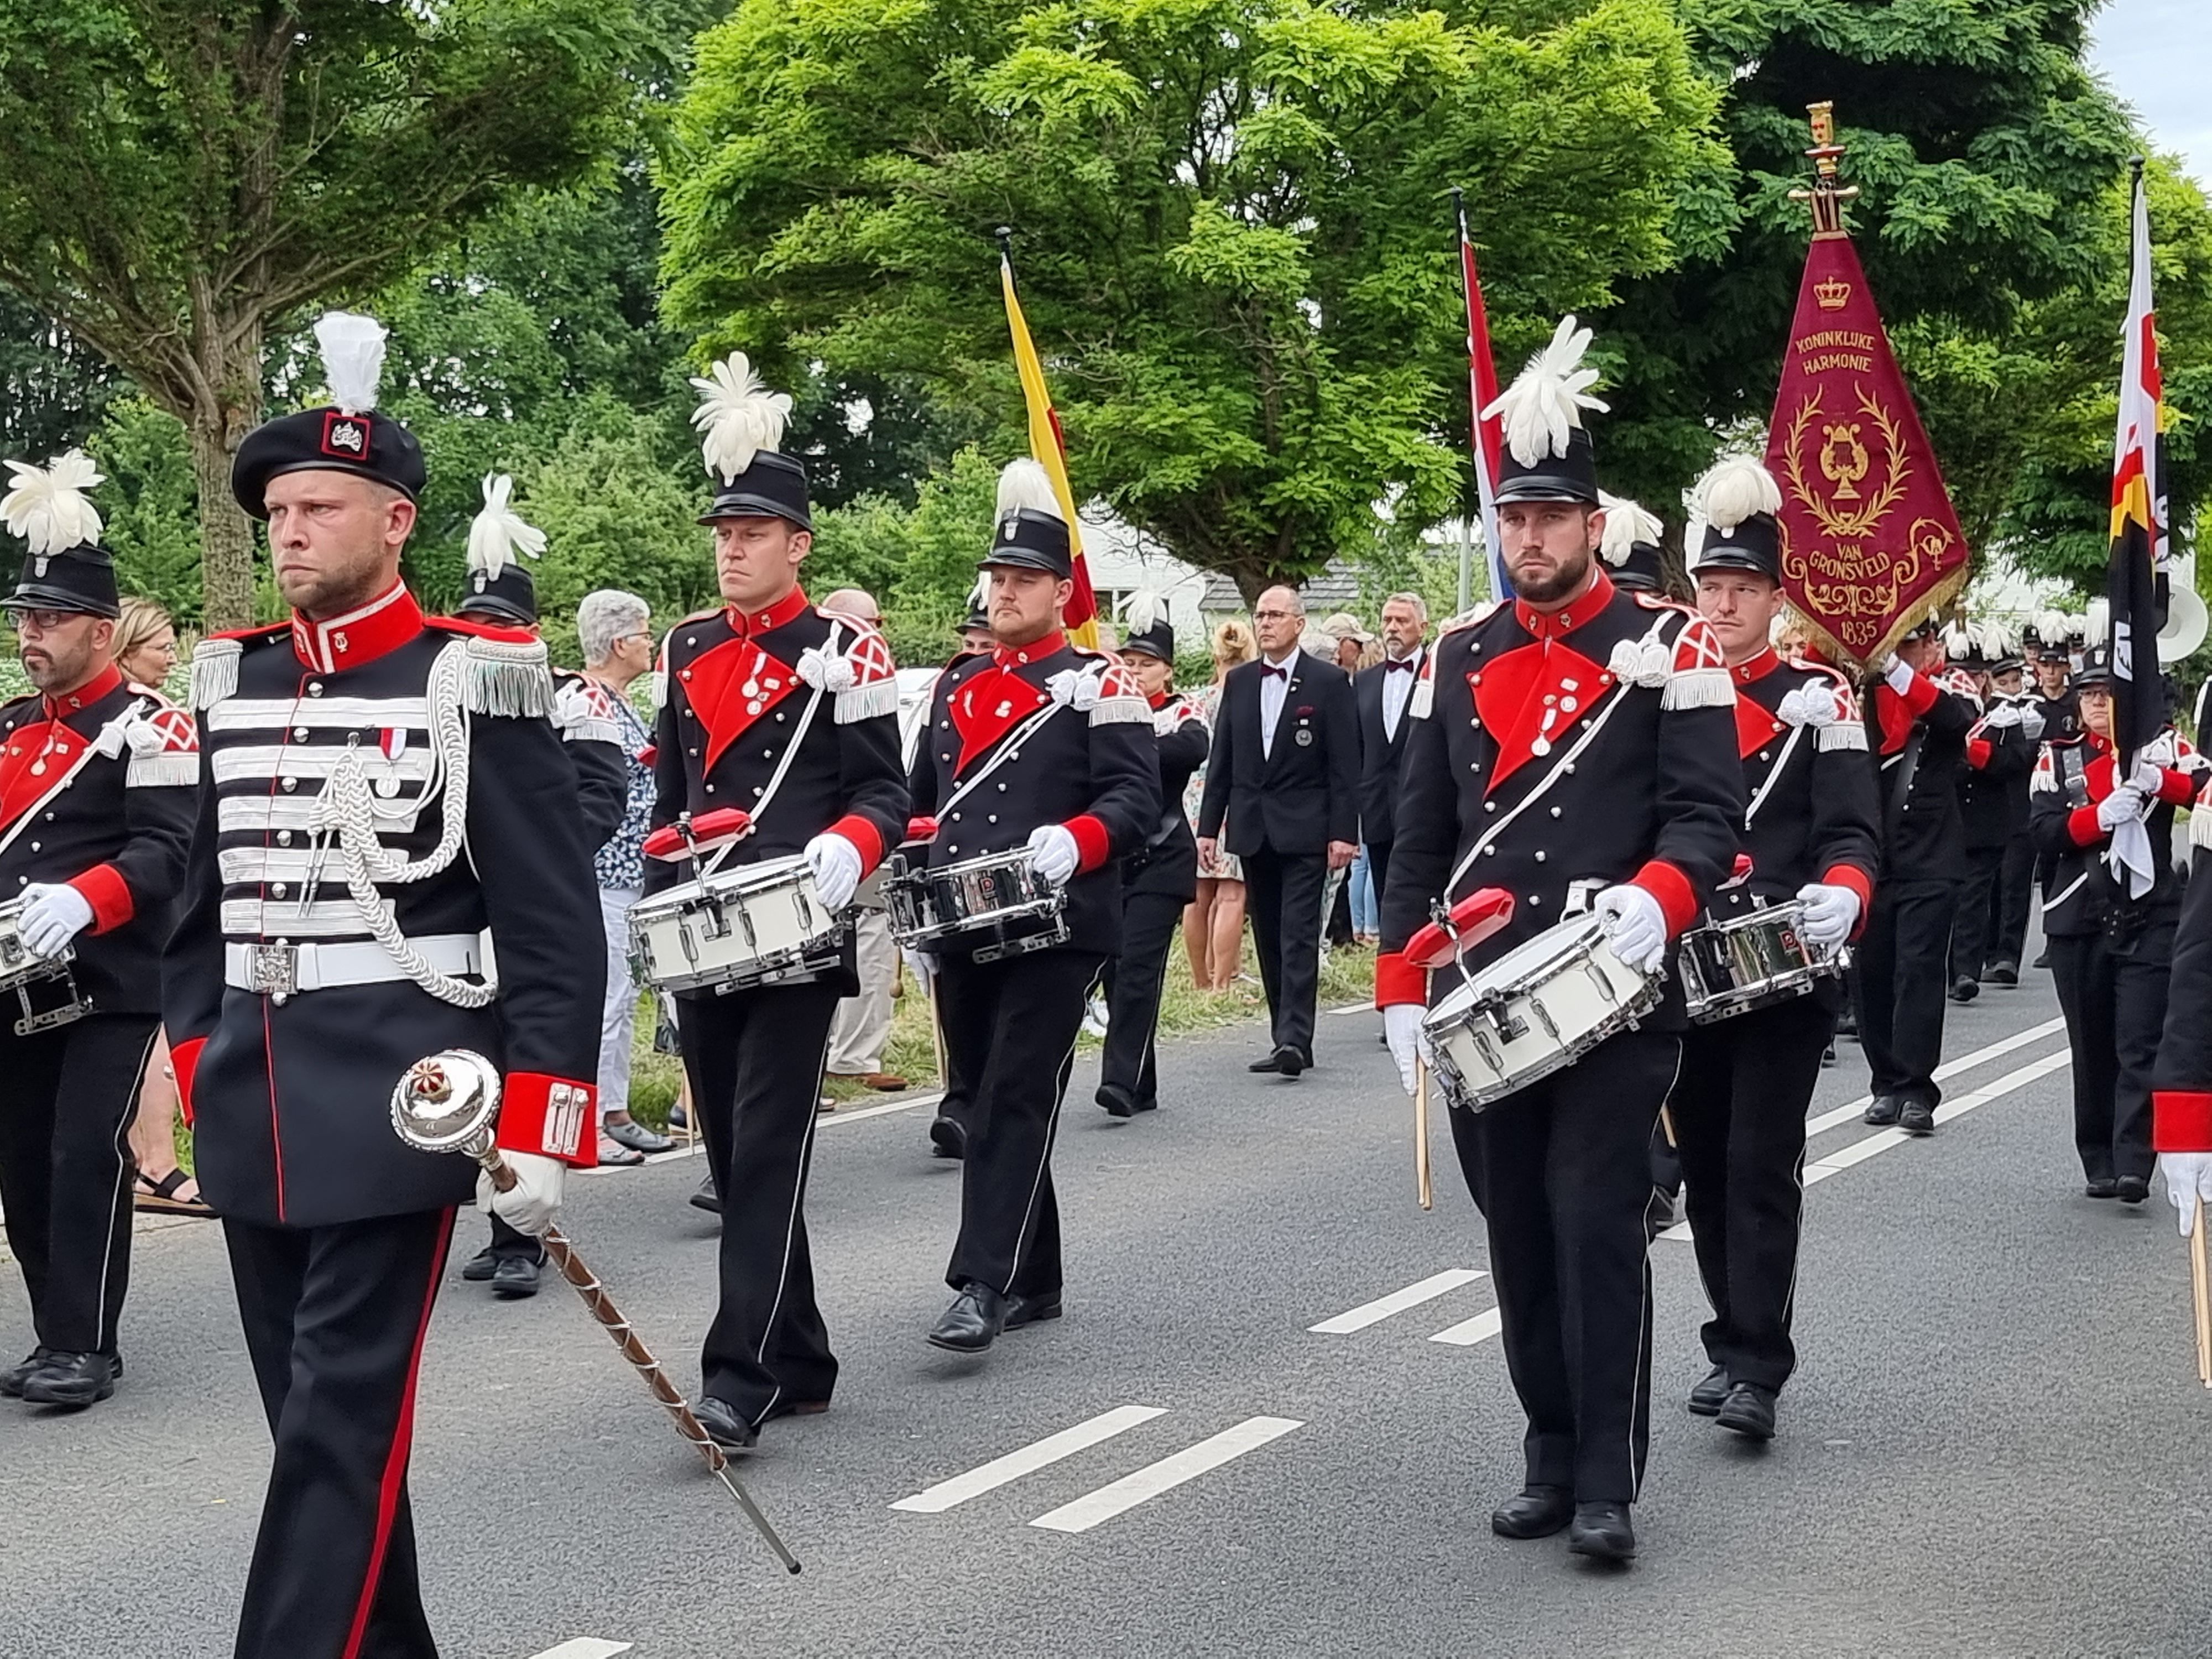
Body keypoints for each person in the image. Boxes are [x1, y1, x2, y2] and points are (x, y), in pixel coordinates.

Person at [163, 311, 604, 1658]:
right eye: (277, 510)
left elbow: (552, 923)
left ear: (395, 519)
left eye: (317, 507)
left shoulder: (475, 680)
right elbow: (197, 912)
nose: (287, 530)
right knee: (325, 1436)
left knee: (338, 1423)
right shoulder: (228, 677)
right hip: (254, 1106)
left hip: (409, 1105)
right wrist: (199, 1062)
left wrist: (541, 1122)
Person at [1379, 317, 1741, 1564]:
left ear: (1593, 524)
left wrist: (1658, 894)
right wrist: (1392, 982)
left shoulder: (1667, 642)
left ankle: (1605, 1479)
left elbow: (1708, 813)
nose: (1528, 539)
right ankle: (1545, 1445)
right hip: (1482, 991)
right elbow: (1415, 831)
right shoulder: (1456, 651)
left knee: (1593, 1222)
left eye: (1551, 518)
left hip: (1615, 993)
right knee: (1516, 1234)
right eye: (1512, 520)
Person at [646, 356, 908, 1447]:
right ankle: (799, 1353)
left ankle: (736, 1373)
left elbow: (886, 791)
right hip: (706, 929)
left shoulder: (848, 652)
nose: (731, 547)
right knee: (727, 1155)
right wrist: (664, 875)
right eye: (722, 530)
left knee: (763, 1150)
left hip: (798, 934)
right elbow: (671, 794)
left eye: (752, 532)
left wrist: (852, 848)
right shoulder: (685, 645)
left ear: (797, 542)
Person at [904, 458, 1156, 1353]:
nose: (1003, 593)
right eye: (997, 578)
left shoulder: (1101, 684)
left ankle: (981, 1281)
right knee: (984, 1091)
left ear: (1061, 592)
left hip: (1059, 921)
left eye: (1022, 580)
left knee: (1013, 1089)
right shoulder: (955, 686)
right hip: (964, 917)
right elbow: (923, 803)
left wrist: (1078, 839)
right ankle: (1036, 1271)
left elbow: (1136, 801)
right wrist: (911, 877)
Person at [1667, 456, 1879, 1443]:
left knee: (1760, 1160)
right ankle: (1728, 1335)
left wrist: (1846, 892)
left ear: (1773, 597)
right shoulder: (1666, 696)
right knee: (1702, 1163)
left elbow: (1851, 832)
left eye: (1742, 590)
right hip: (1686, 962)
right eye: (1710, 587)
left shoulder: (1822, 696)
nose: (1723, 605)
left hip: (1784, 965)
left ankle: (1759, 1361)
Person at [0, 452, 195, 1410]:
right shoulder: (9, 728)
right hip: (15, 985)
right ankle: (54, 1330)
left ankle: (85, 1344)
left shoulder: (155, 729)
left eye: (47, 621)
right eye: (23, 619)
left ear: (101, 630)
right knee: (21, 1164)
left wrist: (89, 895)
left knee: (85, 1152)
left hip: (112, 981)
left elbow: (169, 852)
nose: (29, 636)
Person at [452, 484, 650, 1301]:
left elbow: (600, 803)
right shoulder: (441, 692)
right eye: (476, 625)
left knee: (530, 1064)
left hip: (539, 904)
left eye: (500, 628)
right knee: (469, 1069)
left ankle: (520, 1235)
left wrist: (533, 862)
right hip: (455, 910)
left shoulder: (574, 699)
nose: (486, 640)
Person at [2032, 644, 2195, 1202]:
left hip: (2150, 915)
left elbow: (2204, 792)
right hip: (2080, 914)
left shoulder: (2165, 750)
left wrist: (2160, 782)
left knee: (2140, 1041)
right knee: (2092, 1043)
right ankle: (2097, 1153)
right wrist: (2095, 819)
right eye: (2090, 694)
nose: (2097, 702)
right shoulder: (2059, 758)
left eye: (2108, 694)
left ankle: (2134, 1162)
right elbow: (2041, 833)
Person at [1196, 586, 1358, 1077]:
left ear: (1299, 624)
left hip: (1307, 826)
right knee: (1267, 933)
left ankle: (1295, 1036)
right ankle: (1281, 1034)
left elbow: (1345, 765)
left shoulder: (1328, 682)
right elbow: (1221, 757)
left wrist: (1343, 832)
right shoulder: (1241, 682)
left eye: (1275, 615)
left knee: (1298, 932)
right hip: (1252, 824)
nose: (1265, 623)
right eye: (1260, 615)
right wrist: (1208, 828)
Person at [1855, 617, 1976, 1136]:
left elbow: (1953, 721)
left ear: (1929, 646)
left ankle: (1916, 1086)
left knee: (1919, 971)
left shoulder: (1948, 688)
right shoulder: (1860, 694)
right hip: (1874, 859)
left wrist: (1897, 673)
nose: (1901, 653)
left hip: (1930, 858)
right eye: (1893, 646)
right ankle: (1885, 1081)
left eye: (1910, 644)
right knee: (1872, 974)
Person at [111, 596, 211, 1218]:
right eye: (159, 645)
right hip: (155, 887)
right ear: (124, 645)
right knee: (156, 1030)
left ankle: (139, 1152)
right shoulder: (156, 718)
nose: (170, 655)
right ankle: (157, 1160)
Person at [1095, 591, 1208, 1117]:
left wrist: (1128, 742)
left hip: (1163, 856)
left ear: (1168, 670)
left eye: (1147, 664)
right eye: (1130, 662)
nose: (1137, 672)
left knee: (1139, 967)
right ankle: (1142, 1079)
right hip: (1114, 858)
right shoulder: (1106, 710)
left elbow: (1189, 750)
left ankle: (1117, 1081)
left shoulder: (1182, 714)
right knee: (1115, 970)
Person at [821, 585, 908, 1095]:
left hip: (857, 831)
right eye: (875, 621)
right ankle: (852, 1054)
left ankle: (847, 1053)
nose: (879, 632)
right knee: (870, 941)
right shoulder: (855, 668)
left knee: (868, 943)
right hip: (851, 833)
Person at [1949, 626, 2036, 1001]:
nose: (1966, 680)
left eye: (1973, 674)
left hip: (1987, 821)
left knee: (1974, 897)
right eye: (1960, 673)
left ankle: (1965, 971)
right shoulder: (1944, 708)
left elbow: (2019, 760)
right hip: (1946, 820)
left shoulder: (2004, 715)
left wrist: (1980, 756)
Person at [1181, 619, 1254, 990]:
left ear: (1215, 656)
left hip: (1194, 798)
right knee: (1231, 893)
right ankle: (1223, 982)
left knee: (1197, 893)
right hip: (1233, 797)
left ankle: (1199, 979)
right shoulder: (1251, 698)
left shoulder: (1195, 700)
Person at [1353, 592, 1429, 935]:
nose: (1392, 628)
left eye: (1402, 621)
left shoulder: (1438, 675)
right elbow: (1357, 747)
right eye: (1387, 620)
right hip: (1377, 805)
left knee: (1423, 890)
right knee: (1384, 891)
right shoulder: (1365, 681)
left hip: (1424, 804)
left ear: (1423, 628)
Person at [1974, 643, 2044, 987]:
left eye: (2017, 680)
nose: (2012, 687)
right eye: (2005, 680)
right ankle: (1982, 952)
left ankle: (2007, 956)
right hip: (1986, 814)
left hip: (2021, 809)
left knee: (2016, 887)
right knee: (1986, 888)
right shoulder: (1977, 712)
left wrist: (2029, 736)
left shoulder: (2032, 712)